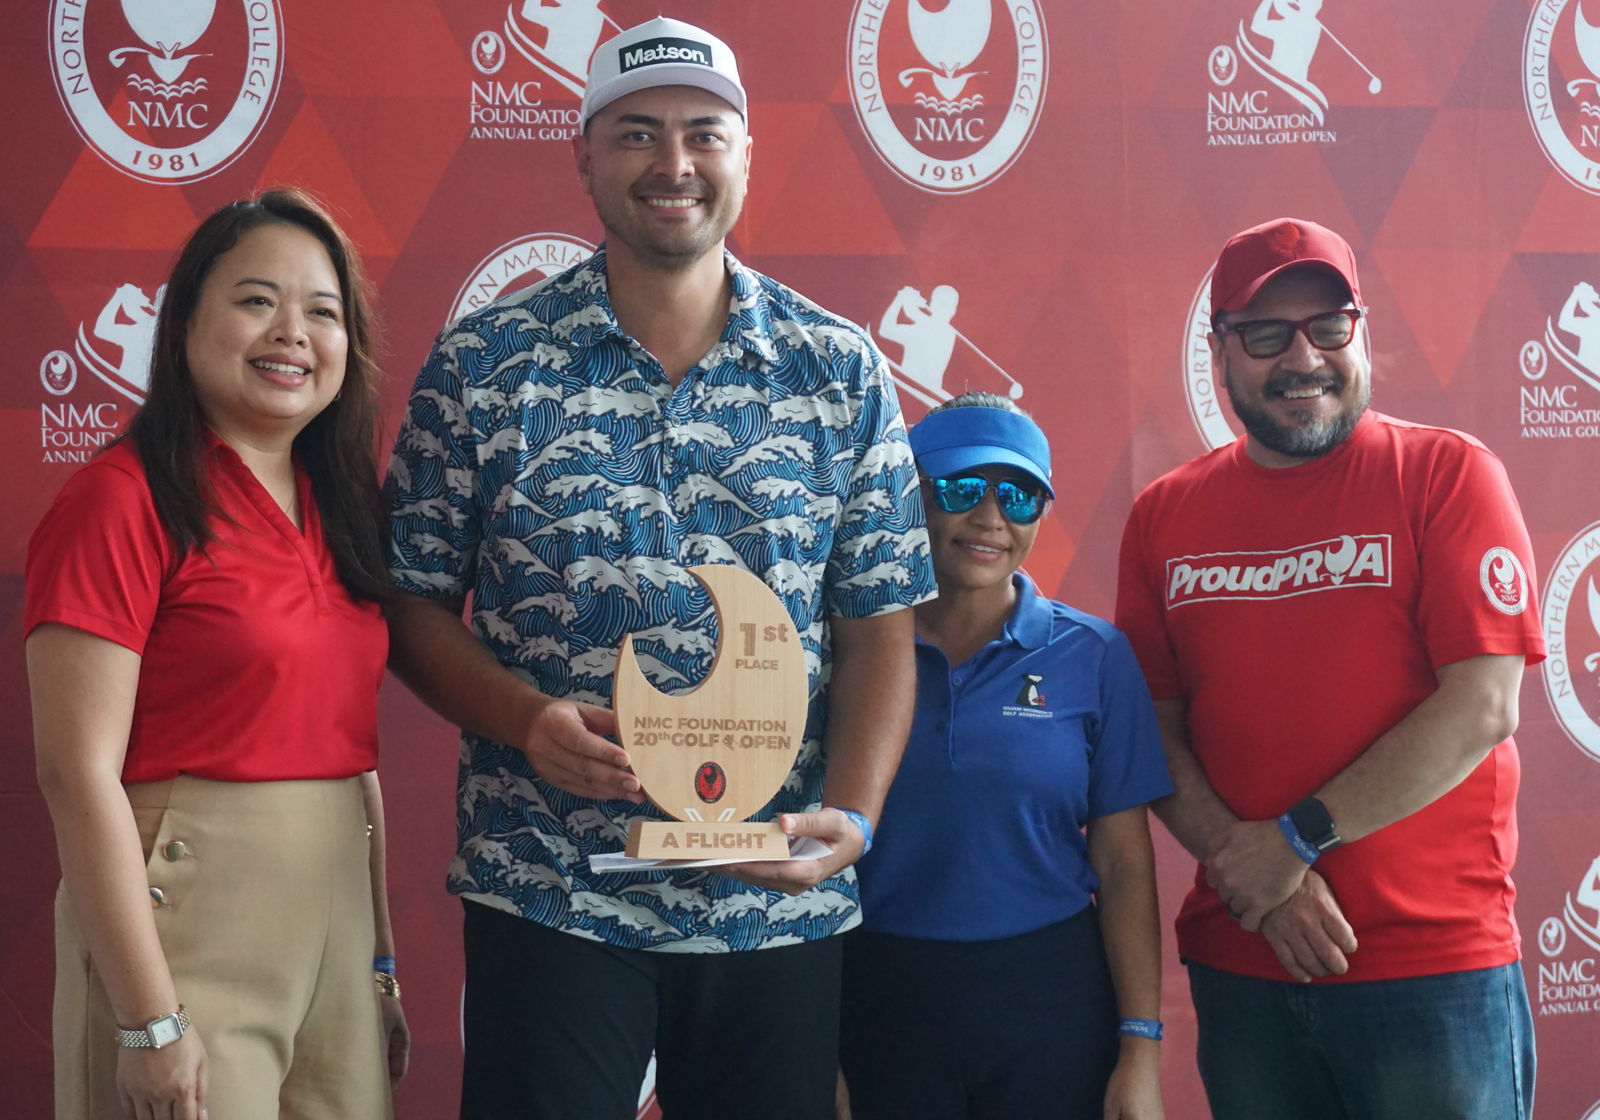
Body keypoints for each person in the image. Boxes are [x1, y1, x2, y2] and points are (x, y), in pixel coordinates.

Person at [383, 16, 933, 1120]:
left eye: (702, 134)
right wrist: (525, 716)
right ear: (582, 157)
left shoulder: (838, 371)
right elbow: (411, 605)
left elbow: (879, 623)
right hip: (550, 889)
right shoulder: (486, 366)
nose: (672, 165)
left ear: (744, 154)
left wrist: (856, 817)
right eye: (635, 135)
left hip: (768, 900)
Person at [1115, 217, 1544, 1118]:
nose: (1302, 357)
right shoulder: (1163, 518)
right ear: (1221, 353)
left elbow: (1483, 705)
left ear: (1362, 330)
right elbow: (1150, 735)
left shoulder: (1447, 476)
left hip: (1433, 974)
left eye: (1327, 327)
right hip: (1245, 968)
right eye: (1266, 335)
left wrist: (1295, 842)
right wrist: (1259, 885)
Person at [26, 188, 408, 1120]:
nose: (292, 333)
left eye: (323, 311)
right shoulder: (121, 500)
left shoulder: (343, 506)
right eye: (255, 300)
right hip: (184, 921)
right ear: (186, 320)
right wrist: (149, 1022)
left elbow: (350, 757)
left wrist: (382, 963)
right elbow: (75, 773)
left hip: (335, 925)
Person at [841, 395, 1169, 1120]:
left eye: (1019, 496)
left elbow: (1123, 865)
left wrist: (1140, 1048)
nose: (991, 518)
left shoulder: (1096, 657)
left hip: (1049, 1001)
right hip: (879, 996)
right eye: (961, 489)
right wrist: (813, 1046)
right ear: (908, 495)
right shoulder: (846, 653)